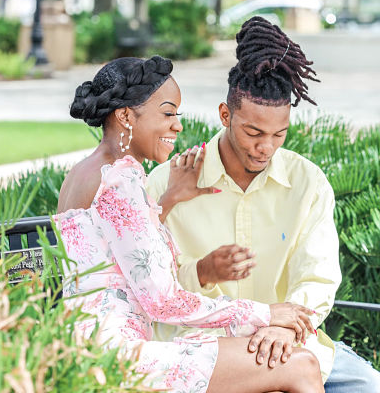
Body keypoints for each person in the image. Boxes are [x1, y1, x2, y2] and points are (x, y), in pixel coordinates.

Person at [54, 55, 325, 393]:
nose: (177, 125)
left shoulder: (85, 172)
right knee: (301, 366)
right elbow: (163, 301)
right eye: (167, 113)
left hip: (86, 347)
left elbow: (116, 250)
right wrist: (266, 314)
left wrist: (169, 199)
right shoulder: (120, 178)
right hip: (117, 359)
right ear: (125, 116)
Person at [146, 17, 380, 392]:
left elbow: (317, 277)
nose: (265, 147)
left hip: (289, 343)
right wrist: (202, 272)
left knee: (369, 385)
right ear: (226, 115)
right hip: (202, 349)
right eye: (253, 132)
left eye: (279, 134)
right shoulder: (168, 183)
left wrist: (283, 327)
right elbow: (151, 283)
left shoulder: (308, 184)